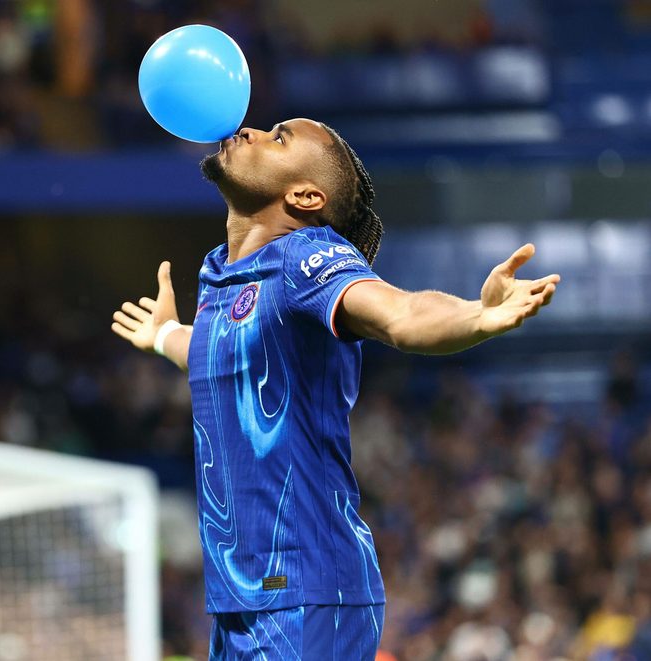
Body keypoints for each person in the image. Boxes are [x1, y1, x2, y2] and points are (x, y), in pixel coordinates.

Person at [110, 118, 560, 660]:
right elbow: (226, 355)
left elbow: (401, 313)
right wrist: (166, 335)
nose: (249, 129)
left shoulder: (307, 257)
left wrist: (476, 315)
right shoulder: (218, 274)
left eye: (278, 138)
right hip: (239, 595)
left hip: (307, 590)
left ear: (304, 196)